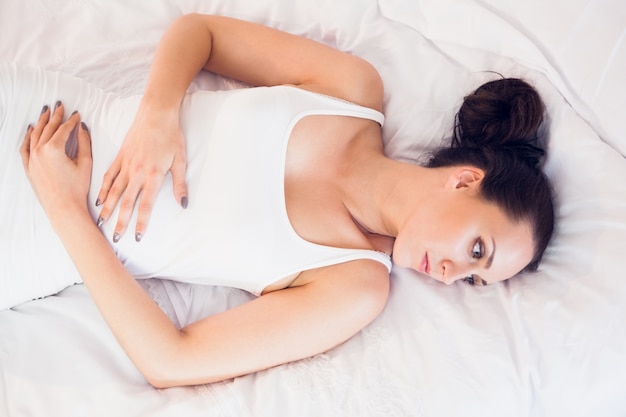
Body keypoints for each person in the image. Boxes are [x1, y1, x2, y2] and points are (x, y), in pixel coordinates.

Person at [19, 13, 554, 387]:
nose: (449, 272)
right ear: (464, 181)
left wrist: (67, 211)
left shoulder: (353, 285)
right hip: (46, 115)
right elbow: (199, 33)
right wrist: (158, 116)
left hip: (35, 231)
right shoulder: (351, 92)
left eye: (472, 279)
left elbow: (172, 361)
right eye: (476, 250)